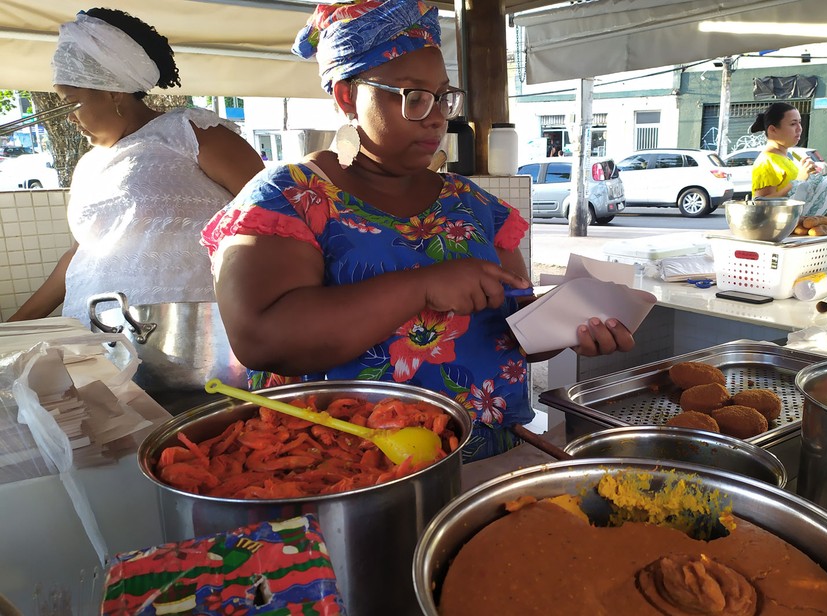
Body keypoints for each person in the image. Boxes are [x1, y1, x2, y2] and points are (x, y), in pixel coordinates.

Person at [200, 0, 636, 462]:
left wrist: (568, 326)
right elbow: (261, 338)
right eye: (412, 96)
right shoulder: (289, 198)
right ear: (348, 95)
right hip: (347, 471)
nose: (435, 116)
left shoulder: (476, 206)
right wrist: (423, 287)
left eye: (443, 96)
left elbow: (512, 336)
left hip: (482, 458)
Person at [8, 8, 264, 325]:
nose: (69, 118)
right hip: (93, 340)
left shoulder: (191, 133)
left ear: (113, 90)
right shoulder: (88, 166)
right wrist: (13, 326)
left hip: (192, 336)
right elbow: (80, 255)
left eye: (71, 101)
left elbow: (277, 214)